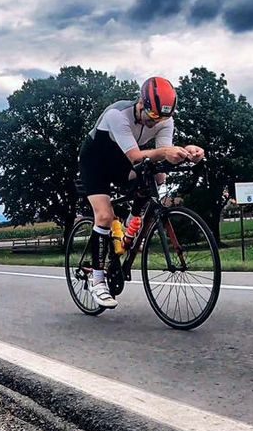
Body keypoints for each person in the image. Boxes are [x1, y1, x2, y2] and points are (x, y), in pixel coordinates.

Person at [77, 76, 205, 308]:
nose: (155, 122)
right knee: (104, 215)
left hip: (121, 161)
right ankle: (97, 281)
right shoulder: (117, 115)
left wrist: (188, 153)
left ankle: (130, 224)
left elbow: (163, 156)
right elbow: (137, 157)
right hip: (95, 162)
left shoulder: (164, 120)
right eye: (152, 115)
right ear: (140, 103)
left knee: (157, 177)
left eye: (161, 118)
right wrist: (166, 153)